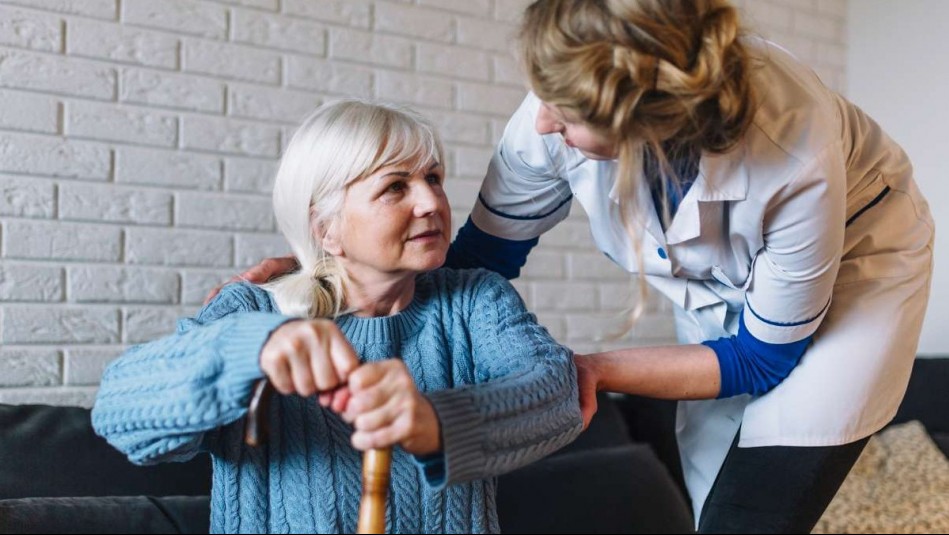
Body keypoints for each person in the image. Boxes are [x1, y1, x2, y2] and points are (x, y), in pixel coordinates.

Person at [213, 0, 935, 532]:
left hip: (859, 262)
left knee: (753, 510)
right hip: (731, 290)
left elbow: (759, 357)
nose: (544, 122)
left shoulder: (792, 153)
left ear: (644, 121)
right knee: (709, 484)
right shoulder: (552, 108)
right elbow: (478, 262)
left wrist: (590, 368)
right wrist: (318, 280)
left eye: (564, 112)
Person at [92, 100, 582, 534]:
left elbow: (557, 391)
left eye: (432, 177)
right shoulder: (253, 310)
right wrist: (247, 351)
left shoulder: (474, 300)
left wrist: (435, 420)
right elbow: (119, 414)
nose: (432, 202)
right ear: (326, 229)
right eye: (395, 187)